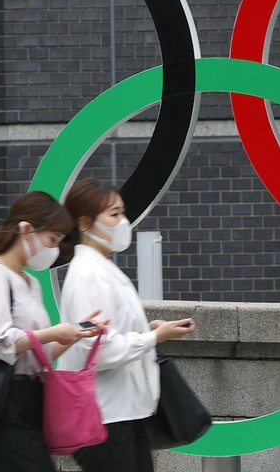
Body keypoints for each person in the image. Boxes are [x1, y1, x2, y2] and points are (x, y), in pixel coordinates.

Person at [58, 178, 196, 472]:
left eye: (122, 212)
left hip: (121, 414)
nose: (123, 222)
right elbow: (98, 351)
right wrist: (154, 337)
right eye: (114, 214)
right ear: (84, 223)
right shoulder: (90, 275)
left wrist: (148, 333)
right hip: (105, 418)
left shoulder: (100, 269)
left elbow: (104, 339)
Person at [0, 191, 107, 472]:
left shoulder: (31, 283)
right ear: (26, 229)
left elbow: (40, 352)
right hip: (3, 403)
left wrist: (74, 334)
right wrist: (54, 333)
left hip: (31, 400)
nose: (53, 249)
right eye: (52, 239)